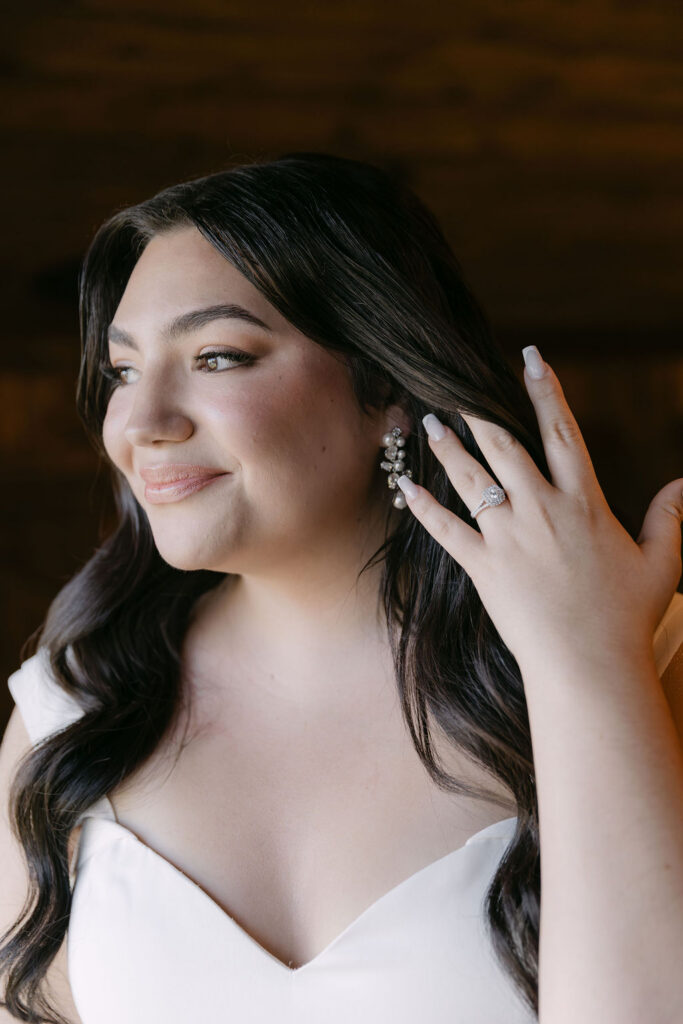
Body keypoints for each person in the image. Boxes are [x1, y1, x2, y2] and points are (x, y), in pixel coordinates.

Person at [1, 152, 682, 1024]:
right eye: (124, 370)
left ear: (387, 390)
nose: (139, 425)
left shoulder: (636, 661)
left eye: (217, 357)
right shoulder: (71, 715)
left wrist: (586, 664)